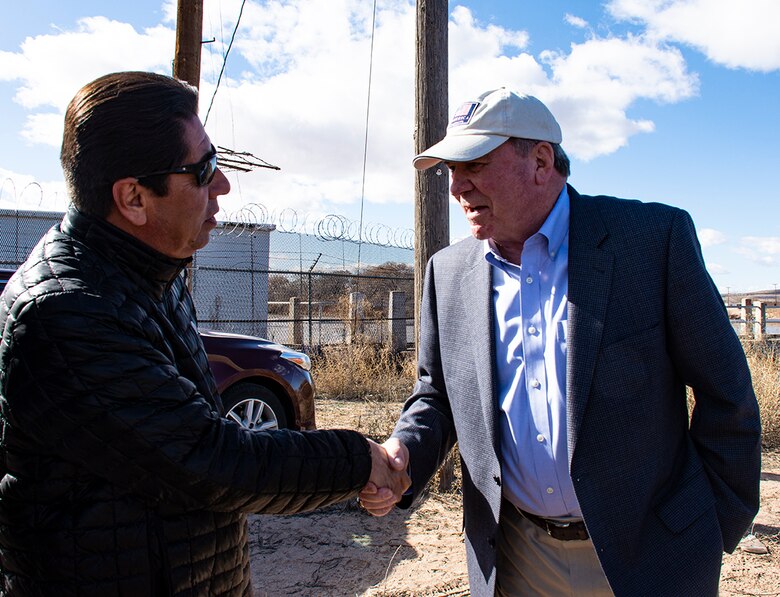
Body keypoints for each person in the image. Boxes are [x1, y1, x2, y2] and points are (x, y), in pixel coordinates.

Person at [0, 71, 408, 596]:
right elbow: (214, 461)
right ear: (134, 198)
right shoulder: (68, 312)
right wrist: (358, 459)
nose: (223, 185)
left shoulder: (148, 273)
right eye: (204, 170)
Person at [359, 88, 761, 596]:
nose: (457, 187)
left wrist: (712, 524)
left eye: (474, 164)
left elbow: (727, 394)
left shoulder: (651, 241)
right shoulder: (449, 273)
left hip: (649, 555)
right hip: (518, 558)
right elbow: (437, 395)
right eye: (449, 171)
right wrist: (404, 456)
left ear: (541, 161)